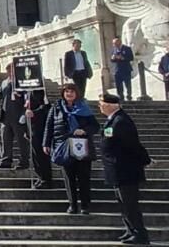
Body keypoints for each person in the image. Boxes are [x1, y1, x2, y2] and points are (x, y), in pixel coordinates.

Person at [99, 92, 151, 245]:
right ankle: (130, 229)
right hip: (116, 170)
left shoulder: (121, 121)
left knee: (130, 204)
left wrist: (145, 159)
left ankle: (140, 233)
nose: (99, 107)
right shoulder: (112, 120)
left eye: (101, 104)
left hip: (125, 170)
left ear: (109, 106)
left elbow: (131, 145)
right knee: (123, 204)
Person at [43, 83, 99, 215]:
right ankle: (72, 205)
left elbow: (95, 126)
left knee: (84, 177)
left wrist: (84, 130)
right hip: (63, 146)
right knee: (69, 178)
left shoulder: (84, 107)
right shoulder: (56, 108)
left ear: (77, 93)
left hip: (82, 146)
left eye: (72, 91)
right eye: (67, 91)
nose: (69, 94)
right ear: (63, 93)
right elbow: (49, 126)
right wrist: (46, 143)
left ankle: (85, 206)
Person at [0, 70, 30, 170]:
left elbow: (27, 98)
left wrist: (24, 113)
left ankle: (24, 161)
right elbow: (0, 95)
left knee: (21, 140)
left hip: (18, 114)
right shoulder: (4, 82)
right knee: (5, 139)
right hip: (6, 115)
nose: (10, 72)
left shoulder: (22, 81)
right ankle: (6, 160)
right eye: (8, 70)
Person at [26, 86, 54, 188]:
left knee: (41, 155)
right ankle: (40, 177)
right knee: (35, 156)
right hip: (31, 128)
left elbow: (46, 107)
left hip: (40, 128)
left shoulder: (40, 90)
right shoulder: (25, 92)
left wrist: (35, 113)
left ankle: (46, 179)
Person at [109, 37, 135, 102]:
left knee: (128, 84)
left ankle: (129, 96)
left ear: (119, 42)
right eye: (113, 44)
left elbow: (131, 58)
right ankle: (120, 96)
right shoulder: (113, 50)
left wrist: (123, 58)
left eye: (115, 43)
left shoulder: (127, 48)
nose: (114, 45)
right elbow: (111, 60)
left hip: (126, 69)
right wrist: (113, 58)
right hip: (117, 70)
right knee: (118, 85)